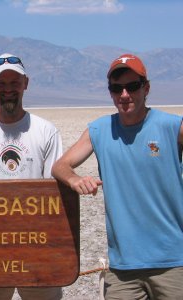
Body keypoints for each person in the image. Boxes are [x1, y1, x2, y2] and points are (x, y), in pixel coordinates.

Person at [51, 53, 183, 299]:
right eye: (116, 88)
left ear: (146, 88)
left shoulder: (171, 126)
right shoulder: (99, 131)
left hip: (174, 263)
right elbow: (60, 166)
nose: (124, 95)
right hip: (123, 268)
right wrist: (75, 180)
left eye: (132, 87)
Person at [0, 53, 63, 300]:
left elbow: (55, 193)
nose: (8, 90)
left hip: (37, 246)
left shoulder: (45, 131)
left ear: (26, 84)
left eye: (14, 83)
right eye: (1, 84)